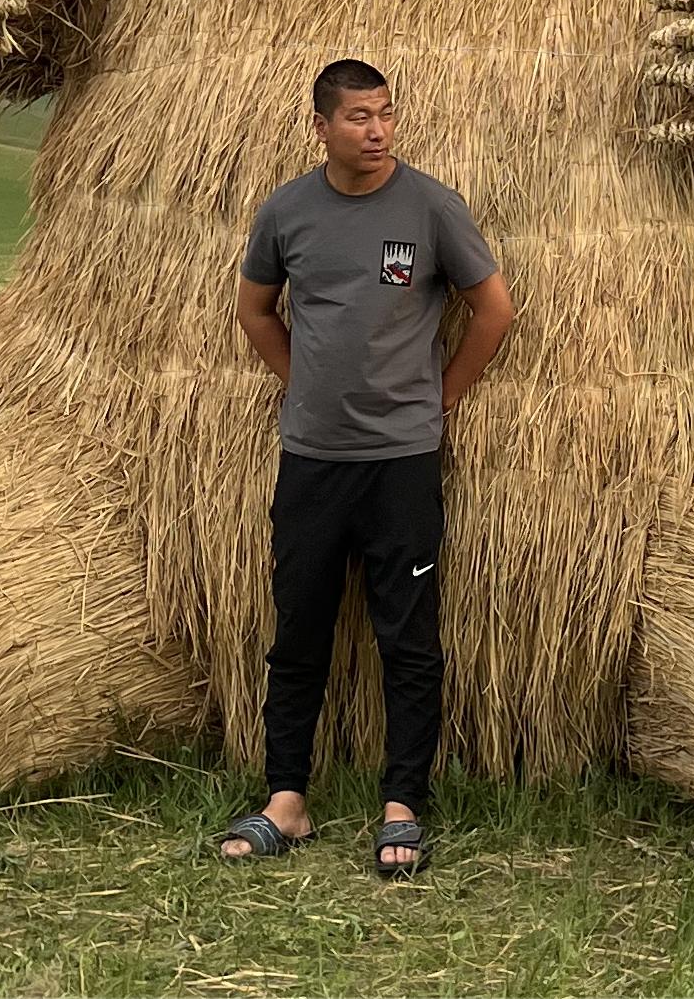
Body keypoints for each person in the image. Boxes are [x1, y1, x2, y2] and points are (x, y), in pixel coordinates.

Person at [215, 60, 514, 878]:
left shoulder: (429, 205)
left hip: (402, 463)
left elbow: (493, 308)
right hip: (311, 459)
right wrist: (302, 386)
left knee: (406, 638)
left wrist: (443, 397)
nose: (376, 130)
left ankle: (403, 806)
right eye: (357, 117)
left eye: (384, 115)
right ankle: (287, 801)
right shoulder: (287, 210)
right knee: (299, 630)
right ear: (320, 126)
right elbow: (254, 310)